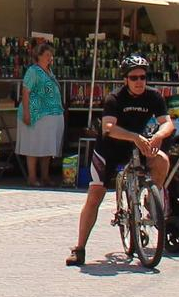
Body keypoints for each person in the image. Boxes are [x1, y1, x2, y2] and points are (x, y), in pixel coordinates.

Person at [67, 54, 171, 267]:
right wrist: (134, 136)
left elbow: (167, 123)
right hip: (110, 148)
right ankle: (79, 248)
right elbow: (108, 128)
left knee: (162, 160)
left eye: (143, 77)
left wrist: (159, 135)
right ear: (126, 79)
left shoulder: (154, 97)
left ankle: (151, 200)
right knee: (95, 195)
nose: (139, 81)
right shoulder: (114, 98)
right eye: (134, 78)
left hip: (139, 145)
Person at [17, 41, 64, 187]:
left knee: (46, 147)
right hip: (35, 115)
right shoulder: (33, 71)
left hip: (51, 116)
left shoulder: (49, 72)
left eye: (51, 55)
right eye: (47, 55)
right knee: (33, 146)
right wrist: (26, 113)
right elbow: (26, 91)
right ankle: (32, 177)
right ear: (39, 56)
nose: (50, 58)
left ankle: (45, 176)